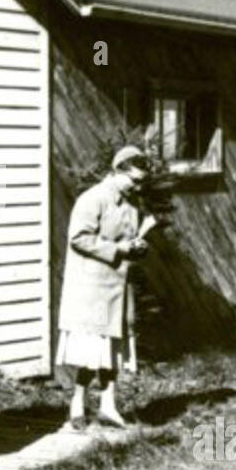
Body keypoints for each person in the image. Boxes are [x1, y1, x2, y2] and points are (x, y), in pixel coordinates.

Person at [56, 145, 152, 431]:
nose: (137, 186)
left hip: (118, 284)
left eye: (141, 182)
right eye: (133, 180)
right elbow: (79, 239)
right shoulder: (92, 199)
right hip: (92, 285)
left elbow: (129, 238)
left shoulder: (132, 203)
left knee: (113, 346)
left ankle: (108, 405)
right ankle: (77, 402)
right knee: (91, 348)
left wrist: (138, 247)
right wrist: (119, 249)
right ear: (117, 171)